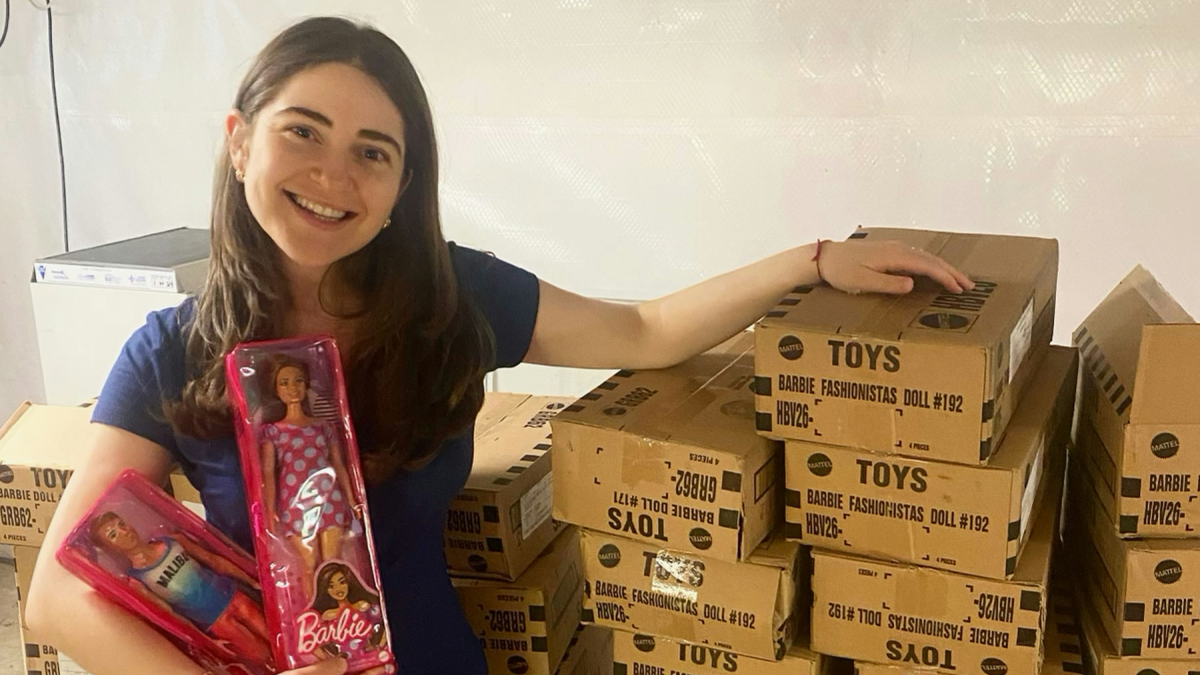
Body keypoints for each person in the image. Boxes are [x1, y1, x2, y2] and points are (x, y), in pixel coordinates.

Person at [25, 15, 973, 675]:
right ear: (240, 145)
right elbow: (58, 597)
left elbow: (642, 331)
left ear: (403, 185)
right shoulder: (172, 350)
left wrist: (812, 260)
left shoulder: (450, 298)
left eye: (373, 151)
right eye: (301, 134)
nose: (331, 175)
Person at [89, 512, 273, 665]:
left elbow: (213, 560)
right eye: (113, 535)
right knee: (261, 657)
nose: (123, 532)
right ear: (110, 548)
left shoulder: (171, 542)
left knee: (275, 635)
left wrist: (253, 581)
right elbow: (169, 614)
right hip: (215, 623)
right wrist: (207, 642)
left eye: (121, 524)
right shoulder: (137, 580)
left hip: (233, 596)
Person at [257, 353, 359, 600]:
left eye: (298, 380)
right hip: (295, 501)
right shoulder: (273, 431)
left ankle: (338, 618)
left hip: (330, 497)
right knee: (309, 564)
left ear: (306, 384)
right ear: (276, 390)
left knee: (333, 563)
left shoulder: (324, 426)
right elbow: (268, 472)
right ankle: (315, 617)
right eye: (284, 382)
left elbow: (340, 464)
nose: (293, 387)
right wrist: (269, 507)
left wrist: (352, 498)